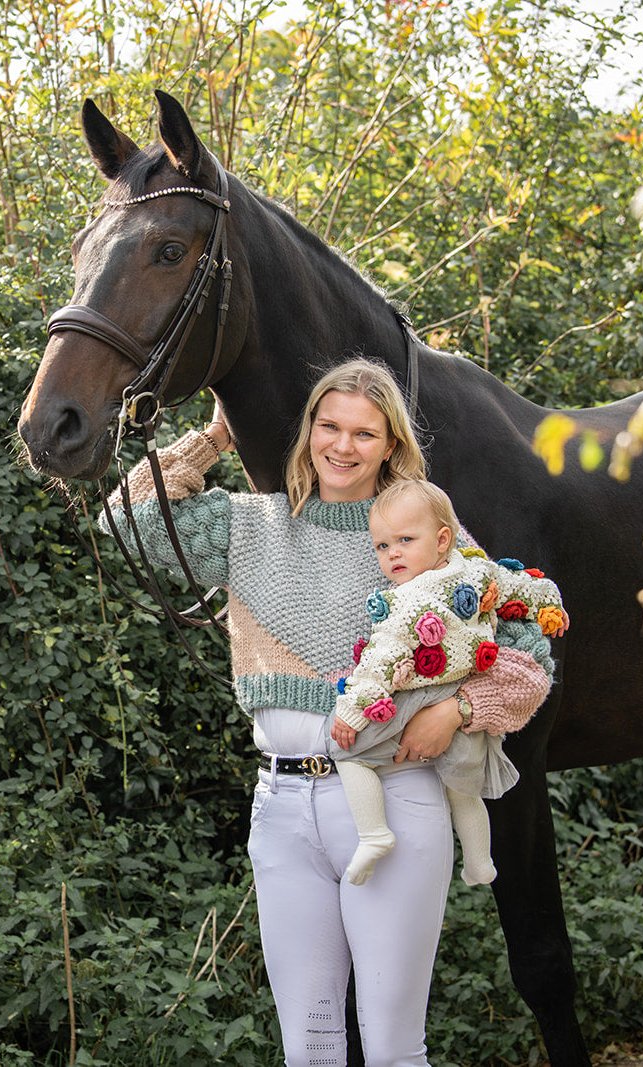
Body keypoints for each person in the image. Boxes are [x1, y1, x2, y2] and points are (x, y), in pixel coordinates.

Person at [101, 359, 561, 1067]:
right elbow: (127, 518)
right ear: (307, 430)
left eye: (364, 433)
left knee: (390, 1047)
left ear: (390, 445)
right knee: (309, 1049)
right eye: (329, 426)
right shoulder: (250, 524)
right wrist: (212, 440)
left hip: (395, 800)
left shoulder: (422, 537)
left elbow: (531, 645)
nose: (343, 446)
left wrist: (464, 706)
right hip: (281, 806)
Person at [329, 479, 566, 887]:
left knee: (347, 754)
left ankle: (374, 834)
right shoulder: (477, 571)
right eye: (383, 546)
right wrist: (550, 604)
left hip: (425, 697)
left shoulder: (406, 601)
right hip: (464, 690)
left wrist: (350, 712)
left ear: (442, 539)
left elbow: (380, 662)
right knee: (463, 790)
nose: (393, 554)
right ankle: (479, 862)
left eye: (405, 539)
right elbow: (521, 586)